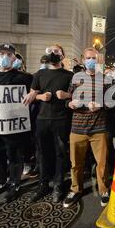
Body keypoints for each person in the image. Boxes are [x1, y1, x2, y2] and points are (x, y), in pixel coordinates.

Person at [0, 44, 33, 203]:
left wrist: (33, 93)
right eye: (2, 53)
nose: (5, 57)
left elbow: (35, 90)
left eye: (9, 54)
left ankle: (15, 183)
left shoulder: (24, 77)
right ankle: (1, 181)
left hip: (14, 127)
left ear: (14, 57)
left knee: (14, 155)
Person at [23, 45, 73, 203]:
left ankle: (58, 184)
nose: (53, 53)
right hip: (42, 119)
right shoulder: (39, 74)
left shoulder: (70, 75)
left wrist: (67, 95)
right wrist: (39, 97)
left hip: (61, 119)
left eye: (57, 51)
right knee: (43, 154)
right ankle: (43, 185)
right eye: (50, 50)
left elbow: (77, 96)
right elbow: (32, 94)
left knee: (60, 153)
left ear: (63, 55)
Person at [63, 48, 110, 208]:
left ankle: (104, 189)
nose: (91, 60)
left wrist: (100, 105)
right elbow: (68, 98)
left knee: (102, 163)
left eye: (94, 58)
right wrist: (69, 103)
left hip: (99, 128)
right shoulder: (76, 79)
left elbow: (113, 102)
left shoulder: (105, 79)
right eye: (88, 58)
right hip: (77, 128)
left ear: (98, 61)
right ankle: (75, 189)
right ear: (83, 60)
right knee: (75, 163)